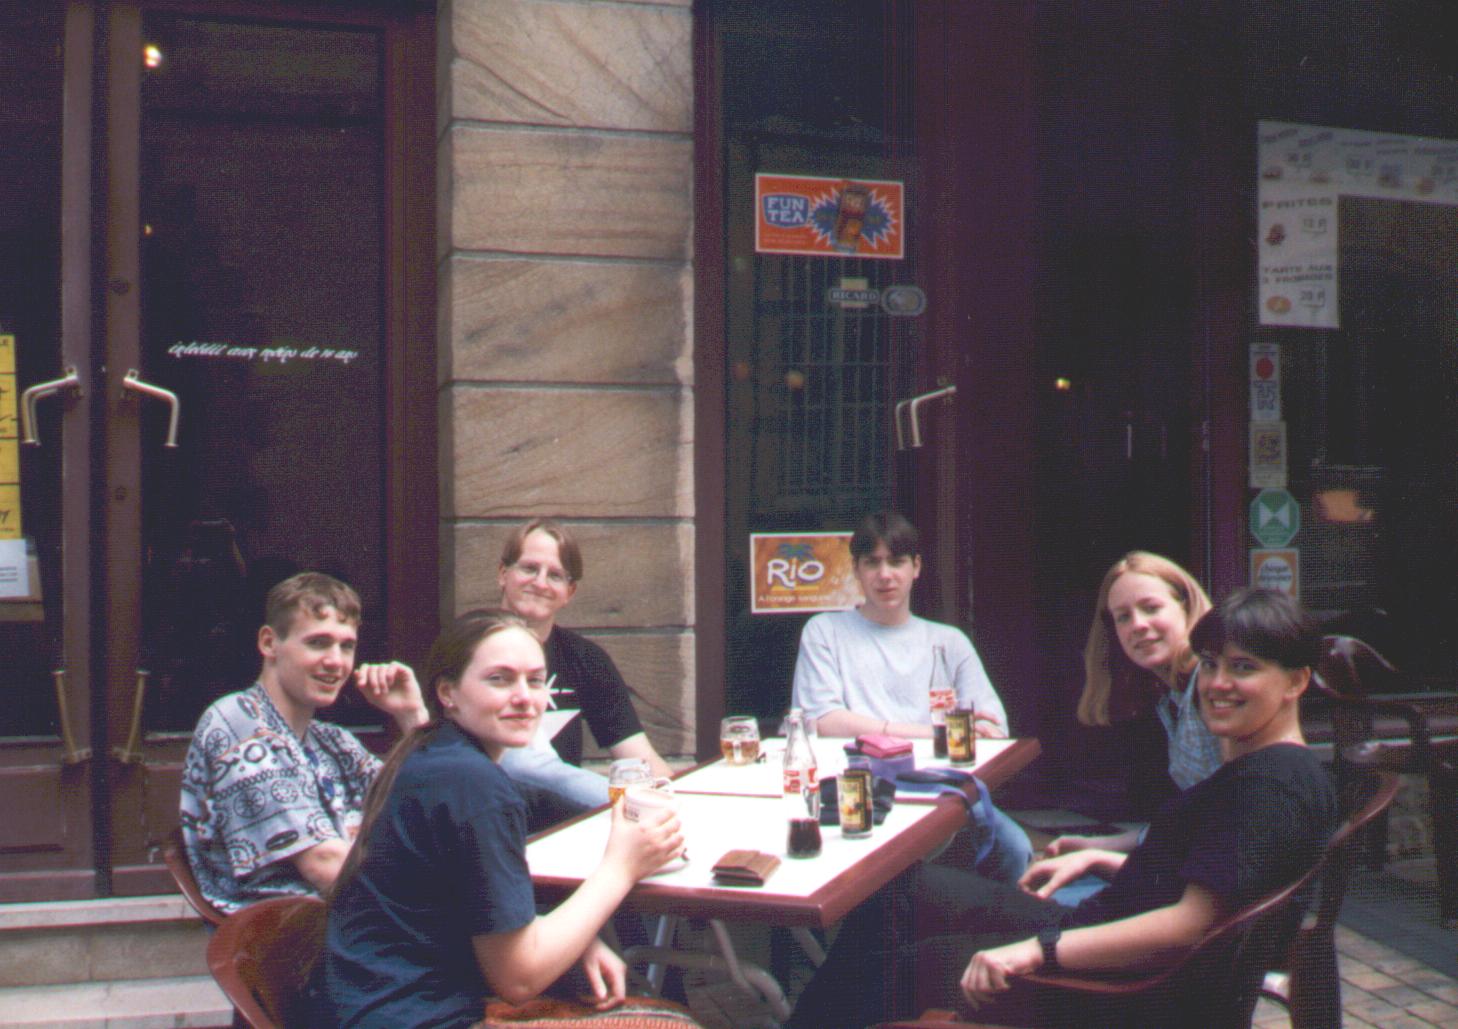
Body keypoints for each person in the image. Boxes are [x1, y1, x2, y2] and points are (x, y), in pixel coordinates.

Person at [787, 588, 1340, 1028]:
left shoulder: (1273, 787)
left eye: (1243, 668)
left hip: (1122, 993)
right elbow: (1216, 881)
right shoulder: (1275, 771)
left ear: (1296, 681)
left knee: (904, 968)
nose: (1217, 684)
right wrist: (1102, 859)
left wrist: (1036, 950)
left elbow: (1188, 925)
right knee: (904, 891)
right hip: (1109, 939)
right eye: (1212, 664)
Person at [316, 610, 684, 1026]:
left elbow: (466, 910)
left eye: (535, 680)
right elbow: (519, 978)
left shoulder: (435, 755)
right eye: (500, 679)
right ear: (448, 692)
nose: (525, 697)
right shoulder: (476, 786)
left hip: (369, 1007)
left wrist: (569, 937)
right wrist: (621, 866)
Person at [790, 510, 1032, 881]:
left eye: (897, 561)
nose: (885, 575)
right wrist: (934, 734)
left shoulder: (948, 642)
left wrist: (964, 734)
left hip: (941, 790)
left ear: (916, 567)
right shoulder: (825, 631)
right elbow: (824, 721)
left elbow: (993, 727)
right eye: (872, 562)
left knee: (1014, 849)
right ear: (856, 570)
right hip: (859, 792)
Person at [178, 572, 428, 914]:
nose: (336, 661)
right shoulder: (238, 722)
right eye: (318, 643)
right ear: (269, 643)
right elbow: (325, 865)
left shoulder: (331, 741)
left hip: (352, 920)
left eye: (346, 646)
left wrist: (412, 715)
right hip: (285, 933)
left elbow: (428, 808)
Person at [1047, 553, 1221, 863]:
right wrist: (1100, 846)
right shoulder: (1171, 698)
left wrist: (1099, 861)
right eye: (1123, 617)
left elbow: (1229, 824)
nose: (1138, 625)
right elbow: (1194, 822)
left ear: (1186, 606)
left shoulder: (1211, 688)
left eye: (1151, 608)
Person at [495, 519, 674, 809]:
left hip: (568, 820)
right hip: (492, 817)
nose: (540, 582)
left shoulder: (586, 660)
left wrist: (676, 802)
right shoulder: (471, 649)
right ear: (503, 574)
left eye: (555, 575)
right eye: (529, 568)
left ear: (570, 591)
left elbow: (641, 760)